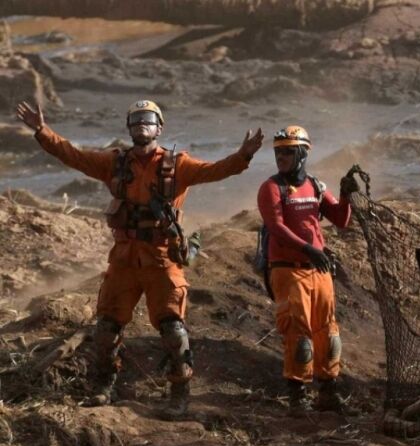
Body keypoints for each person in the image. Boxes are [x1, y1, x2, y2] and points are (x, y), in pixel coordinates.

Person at [15, 100, 264, 418]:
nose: (141, 125)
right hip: (124, 260)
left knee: (173, 330)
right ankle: (104, 386)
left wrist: (244, 155)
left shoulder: (179, 165)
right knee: (107, 328)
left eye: (148, 119)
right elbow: (73, 155)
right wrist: (42, 131)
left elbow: (217, 170)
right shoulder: (114, 163)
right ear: (129, 128)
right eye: (136, 120)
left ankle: (179, 392)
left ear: (160, 128)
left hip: (162, 259)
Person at [257, 125, 360, 416]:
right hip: (288, 269)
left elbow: (341, 220)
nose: (281, 157)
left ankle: (328, 392)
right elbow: (276, 228)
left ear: (303, 153)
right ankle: (297, 396)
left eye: (288, 152)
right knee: (298, 332)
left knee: (328, 332)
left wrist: (346, 196)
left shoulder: (315, 186)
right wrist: (309, 249)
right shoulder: (271, 188)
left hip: (318, 269)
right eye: (278, 152)